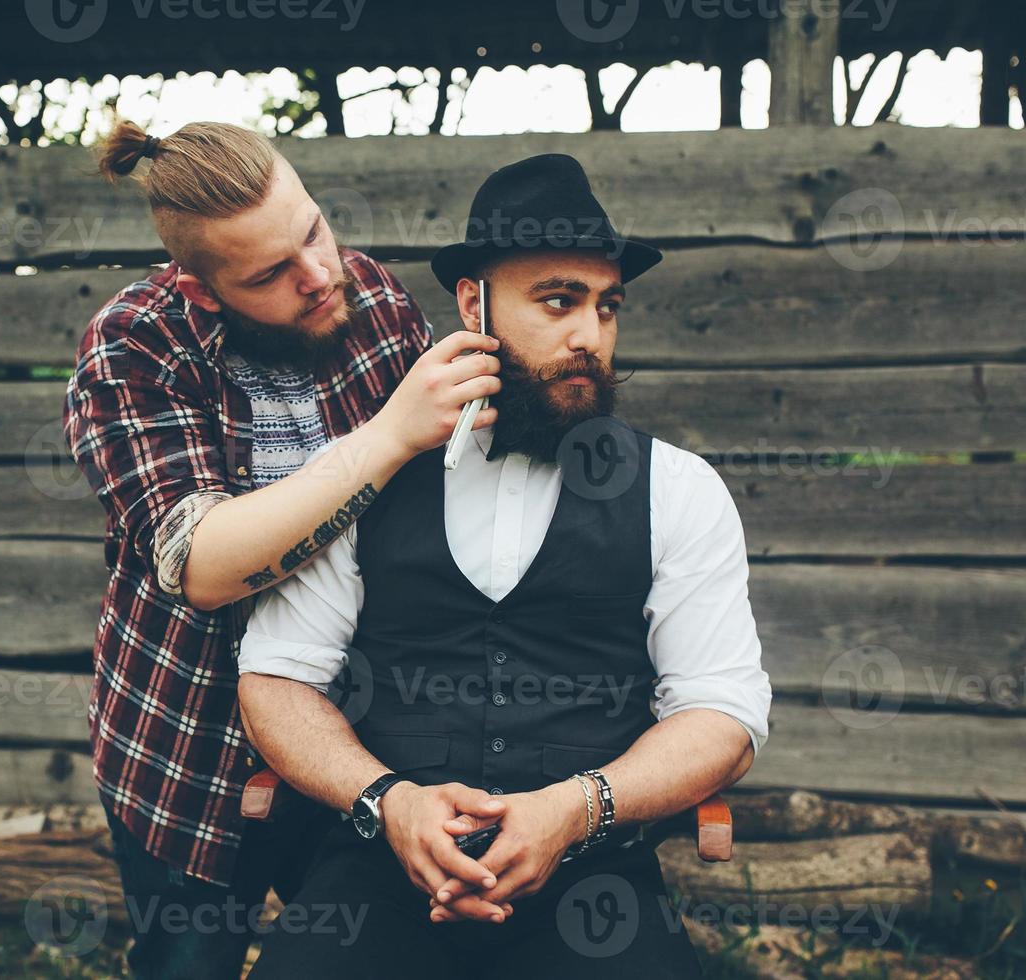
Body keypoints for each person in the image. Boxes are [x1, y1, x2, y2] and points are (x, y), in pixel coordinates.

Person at [236, 153, 773, 979]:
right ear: (472, 302)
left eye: (607, 307)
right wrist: (392, 803)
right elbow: (276, 682)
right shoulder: (366, 476)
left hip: (592, 881)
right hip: (381, 875)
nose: (589, 336)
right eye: (558, 301)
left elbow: (723, 714)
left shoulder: (680, 491)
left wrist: (574, 809)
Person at [62, 119, 503, 979]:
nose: (318, 275)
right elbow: (204, 564)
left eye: (313, 230)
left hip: (350, 742)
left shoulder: (371, 299)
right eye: (270, 273)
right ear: (201, 287)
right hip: (187, 750)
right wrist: (388, 437)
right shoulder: (132, 346)